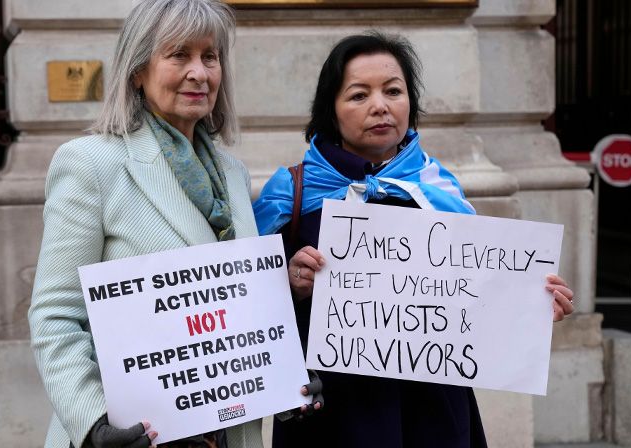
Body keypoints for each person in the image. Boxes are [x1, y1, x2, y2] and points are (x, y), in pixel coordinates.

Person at [252, 32, 575, 448]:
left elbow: (478, 298)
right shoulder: (290, 194)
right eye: (358, 95)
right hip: (331, 410)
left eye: (393, 91)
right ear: (329, 109)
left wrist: (530, 306)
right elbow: (249, 307)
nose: (380, 106)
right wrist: (291, 284)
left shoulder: (438, 189)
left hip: (431, 409)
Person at [29, 1, 318, 447]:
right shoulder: (90, 164)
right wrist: (93, 422)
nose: (199, 73)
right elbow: (56, 317)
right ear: (137, 70)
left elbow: (230, 300)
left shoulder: (234, 173)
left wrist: (284, 377)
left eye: (210, 56)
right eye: (179, 54)